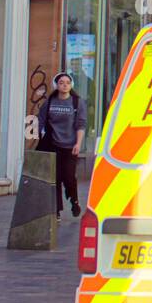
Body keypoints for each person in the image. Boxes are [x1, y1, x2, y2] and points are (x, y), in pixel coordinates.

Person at [36, 72, 87, 218]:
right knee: (56, 178)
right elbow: (41, 120)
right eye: (61, 83)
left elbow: (81, 124)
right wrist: (40, 135)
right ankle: (56, 210)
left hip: (70, 146)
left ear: (71, 85)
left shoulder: (77, 102)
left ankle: (74, 201)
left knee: (69, 177)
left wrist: (78, 143)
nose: (64, 85)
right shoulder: (50, 102)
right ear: (56, 85)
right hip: (53, 145)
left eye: (67, 83)